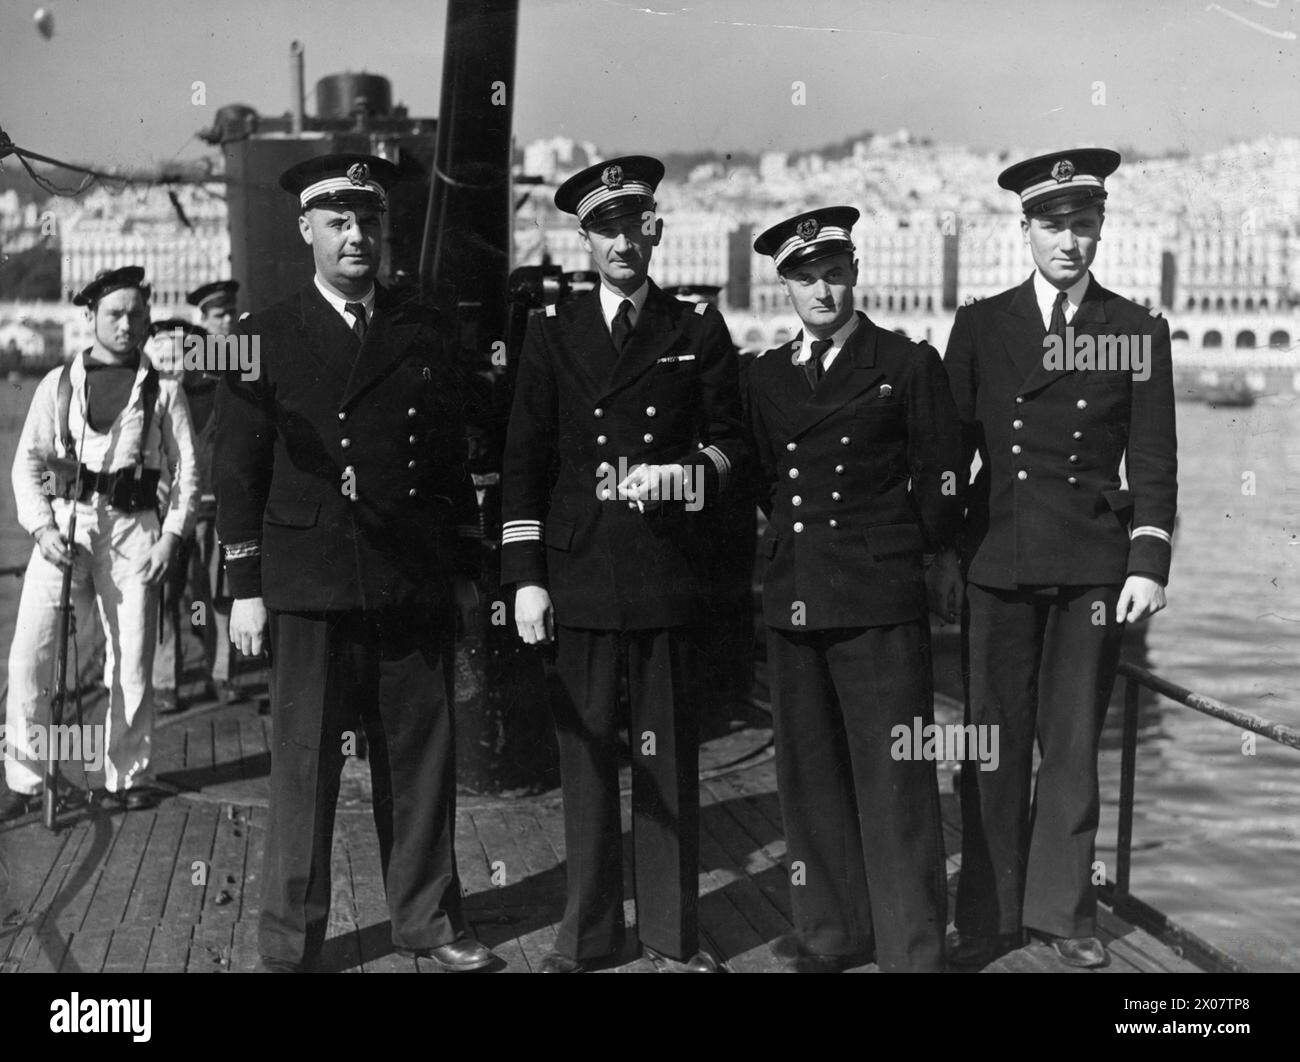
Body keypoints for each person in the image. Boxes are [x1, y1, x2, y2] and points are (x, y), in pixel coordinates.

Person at [214, 153, 496, 973]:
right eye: (338, 222)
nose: (356, 237)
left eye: (368, 222)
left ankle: (428, 921)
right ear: (306, 231)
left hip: (408, 577)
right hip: (308, 583)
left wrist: (466, 569)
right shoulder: (255, 339)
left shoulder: (426, 329)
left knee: (420, 759)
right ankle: (289, 941)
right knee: (304, 769)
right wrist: (244, 589)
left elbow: (449, 460)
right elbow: (238, 474)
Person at [501, 155, 746, 973]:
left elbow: (731, 443)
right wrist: (526, 577)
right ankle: (590, 933)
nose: (622, 243)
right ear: (584, 240)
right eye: (604, 230)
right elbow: (525, 460)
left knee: (668, 759)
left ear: (656, 232)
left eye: (634, 226)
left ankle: (673, 934)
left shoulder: (695, 329)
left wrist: (689, 474)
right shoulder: (551, 333)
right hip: (580, 573)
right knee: (586, 763)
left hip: (665, 571)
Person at [945, 149, 1178, 970]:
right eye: (1053, 226)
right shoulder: (982, 326)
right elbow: (951, 452)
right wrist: (943, 557)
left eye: (1084, 225)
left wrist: (1148, 563)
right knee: (991, 742)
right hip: (999, 557)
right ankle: (989, 911)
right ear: (1027, 230)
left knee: (1074, 747)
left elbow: (1153, 462)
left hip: (1090, 564)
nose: (1069, 242)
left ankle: (1061, 914)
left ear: (1102, 228)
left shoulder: (1135, 332)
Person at [746, 207, 962, 972]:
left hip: (877, 596)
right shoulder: (765, 376)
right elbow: (763, 478)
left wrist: (918, 554)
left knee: (895, 778)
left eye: (835, 273)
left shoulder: (905, 364)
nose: (824, 291)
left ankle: (912, 948)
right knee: (810, 776)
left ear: (856, 273)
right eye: (807, 278)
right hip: (797, 591)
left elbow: (941, 477)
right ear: (786, 287)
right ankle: (833, 933)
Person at [1, 266, 198, 818]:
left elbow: (187, 476)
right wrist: (39, 526)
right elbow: (27, 465)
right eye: (114, 313)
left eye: (137, 314)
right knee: (29, 658)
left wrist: (171, 539)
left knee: (130, 660)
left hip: (134, 534)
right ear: (89, 318)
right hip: (64, 530)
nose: (127, 324)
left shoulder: (164, 391)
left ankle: (127, 773)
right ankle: (25, 777)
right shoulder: (56, 386)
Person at [147, 310, 241, 713]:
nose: (179, 359)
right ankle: (166, 681)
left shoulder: (221, 394)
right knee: (166, 597)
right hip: (169, 514)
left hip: (213, 509)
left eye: (186, 349)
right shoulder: (157, 397)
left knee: (216, 597)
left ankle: (220, 673)